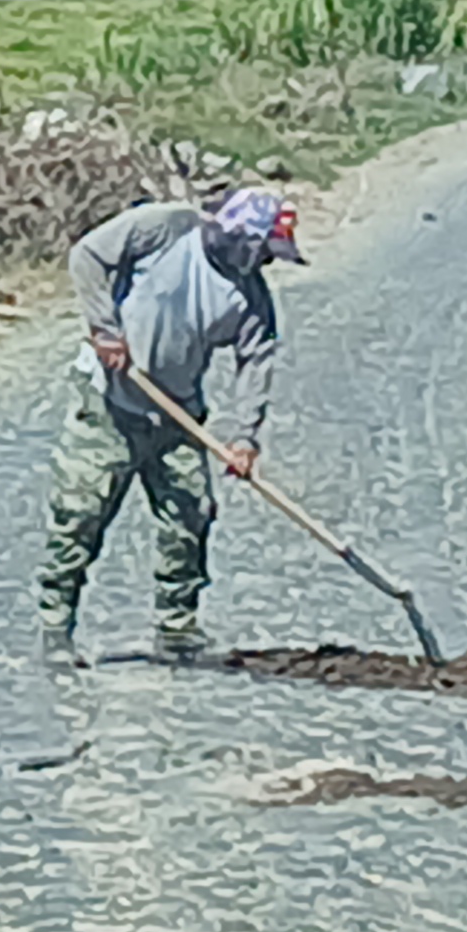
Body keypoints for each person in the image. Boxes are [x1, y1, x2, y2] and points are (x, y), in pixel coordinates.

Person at [46, 185, 301, 660]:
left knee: (190, 513)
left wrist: (244, 438)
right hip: (109, 403)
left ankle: (177, 626)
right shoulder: (165, 228)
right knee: (80, 514)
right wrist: (105, 330)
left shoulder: (251, 299)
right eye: (265, 251)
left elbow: (256, 363)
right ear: (242, 238)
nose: (267, 262)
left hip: (176, 414)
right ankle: (56, 625)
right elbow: (87, 256)